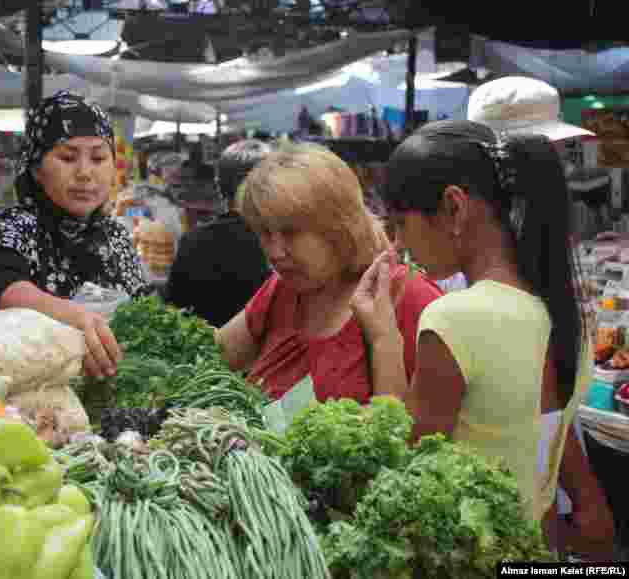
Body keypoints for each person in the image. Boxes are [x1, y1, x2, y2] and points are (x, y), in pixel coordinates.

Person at [351, 119, 585, 526]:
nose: (399, 244)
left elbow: (404, 465)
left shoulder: (456, 317)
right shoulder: (562, 309)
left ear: (454, 208)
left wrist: (383, 336)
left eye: (401, 224)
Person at [468, 77, 614, 557]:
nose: (563, 169)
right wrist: (583, 496)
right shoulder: (481, 269)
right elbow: (533, 408)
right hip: (523, 504)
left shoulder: (532, 248)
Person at [215, 144, 442, 403]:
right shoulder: (282, 289)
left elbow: (421, 430)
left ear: (340, 228)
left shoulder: (409, 298)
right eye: (265, 233)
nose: (276, 252)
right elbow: (212, 356)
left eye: (291, 232)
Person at [0, 91, 151, 378]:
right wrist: (75, 318)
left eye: (98, 158)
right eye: (67, 157)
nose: (84, 173)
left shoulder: (117, 238)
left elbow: (145, 312)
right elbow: (6, 289)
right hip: (28, 402)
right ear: (36, 168)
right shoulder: (10, 229)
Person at [166, 140, 274, 327]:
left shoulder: (192, 241)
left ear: (219, 187)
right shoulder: (281, 246)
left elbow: (175, 309)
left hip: (204, 351)